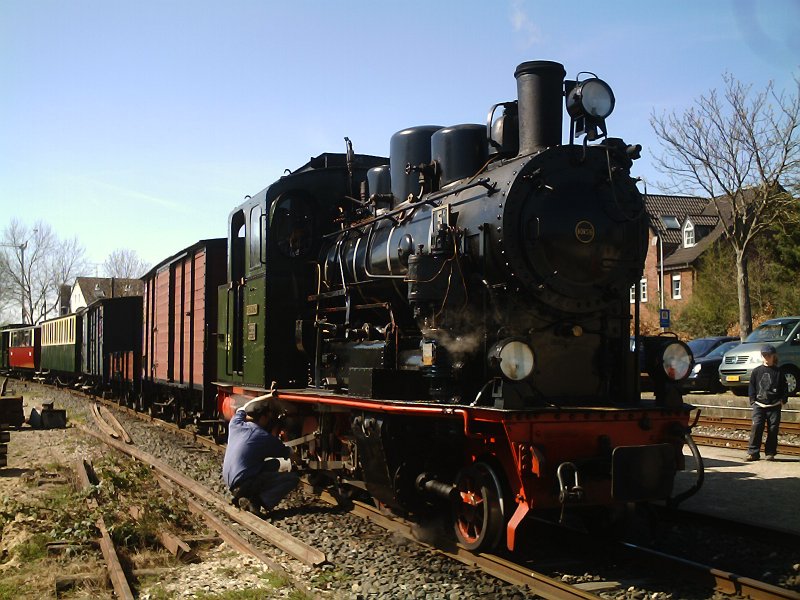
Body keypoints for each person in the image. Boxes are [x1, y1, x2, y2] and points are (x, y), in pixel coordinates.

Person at [222, 394, 299, 516]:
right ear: (263, 418)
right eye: (269, 417)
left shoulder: (235, 424)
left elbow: (244, 407)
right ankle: (256, 502)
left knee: (274, 464)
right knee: (293, 478)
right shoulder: (263, 436)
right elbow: (289, 454)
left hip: (229, 481)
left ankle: (238, 494)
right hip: (244, 481)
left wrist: (269, 395)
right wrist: (297, 458)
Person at [746, 345, 789, 461]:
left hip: (774, 405)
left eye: (769, 355)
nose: (766, 358)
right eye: (764, 355)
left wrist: (783, 400)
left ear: (773, 356)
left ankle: (770, 452)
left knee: (773, 429)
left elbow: (784, 388)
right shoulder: (756, 371)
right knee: (756, 426)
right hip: (759, 404)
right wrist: (752, 400)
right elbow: (751, 386)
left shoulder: (779, 372)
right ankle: (753, 452)